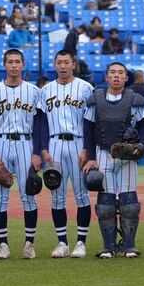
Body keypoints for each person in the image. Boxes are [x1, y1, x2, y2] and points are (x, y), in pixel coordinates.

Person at [82, 62, 144, 258]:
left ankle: (129, 245)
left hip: (127, 156)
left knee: (129, 203)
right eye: (113, 72)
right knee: (105, 204)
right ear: (106, 76)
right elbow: (88, 130)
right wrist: (90, 158)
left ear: (126, 78)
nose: (117, 76)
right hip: (103, 152)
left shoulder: (135, 99)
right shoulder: (95, 99)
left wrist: (140, 145)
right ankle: (108, 246)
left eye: (121, 73)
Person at [0, 49, 47, 260]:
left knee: (28, 195)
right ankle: (3, 245)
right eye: (10, 62)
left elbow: (40, 123)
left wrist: (37, 152)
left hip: (26, 143)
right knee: (0, 198)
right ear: (4, 65)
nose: (14, 65)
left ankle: (29, 244)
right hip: (2, 142)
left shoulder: (34, 91)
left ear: (23, 65)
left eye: (17, 62)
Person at [38, 50, 95, 258]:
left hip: (78, 143)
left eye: (66, 62)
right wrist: (43, 148)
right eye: (59, 62)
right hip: (54, 144)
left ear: (73, 64)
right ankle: (62, 242)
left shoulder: (85, 87)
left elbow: (90, 122)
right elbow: (42, 121)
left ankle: (81, 242)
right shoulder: (46, 90)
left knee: (82, 195)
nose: (63, 66)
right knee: (57, 197)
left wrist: (87, 148)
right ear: (55, 65)